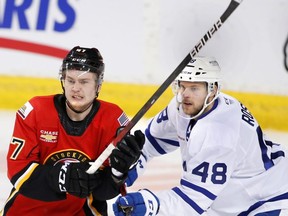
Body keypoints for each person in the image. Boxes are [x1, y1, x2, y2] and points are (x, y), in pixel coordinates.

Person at [113, 56, 288, 215]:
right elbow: (151, 140)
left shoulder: (218, 136)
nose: (185, 95)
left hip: (269, 199)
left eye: (194, 88)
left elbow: (192, 201)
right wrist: (132, 163)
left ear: (213, 90)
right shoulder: (182, 106)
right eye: (182, 86)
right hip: (234, 198)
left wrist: (150, 203)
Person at [0, 46, 145, 216]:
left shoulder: (112, 120)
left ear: (98, 84)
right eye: (70, 80)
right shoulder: (36, 111)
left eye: (84, 82)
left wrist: (117, 173)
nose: (75, 88)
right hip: (26, 211)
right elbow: (18, 172)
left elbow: (103, 193)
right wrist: (63, 177)